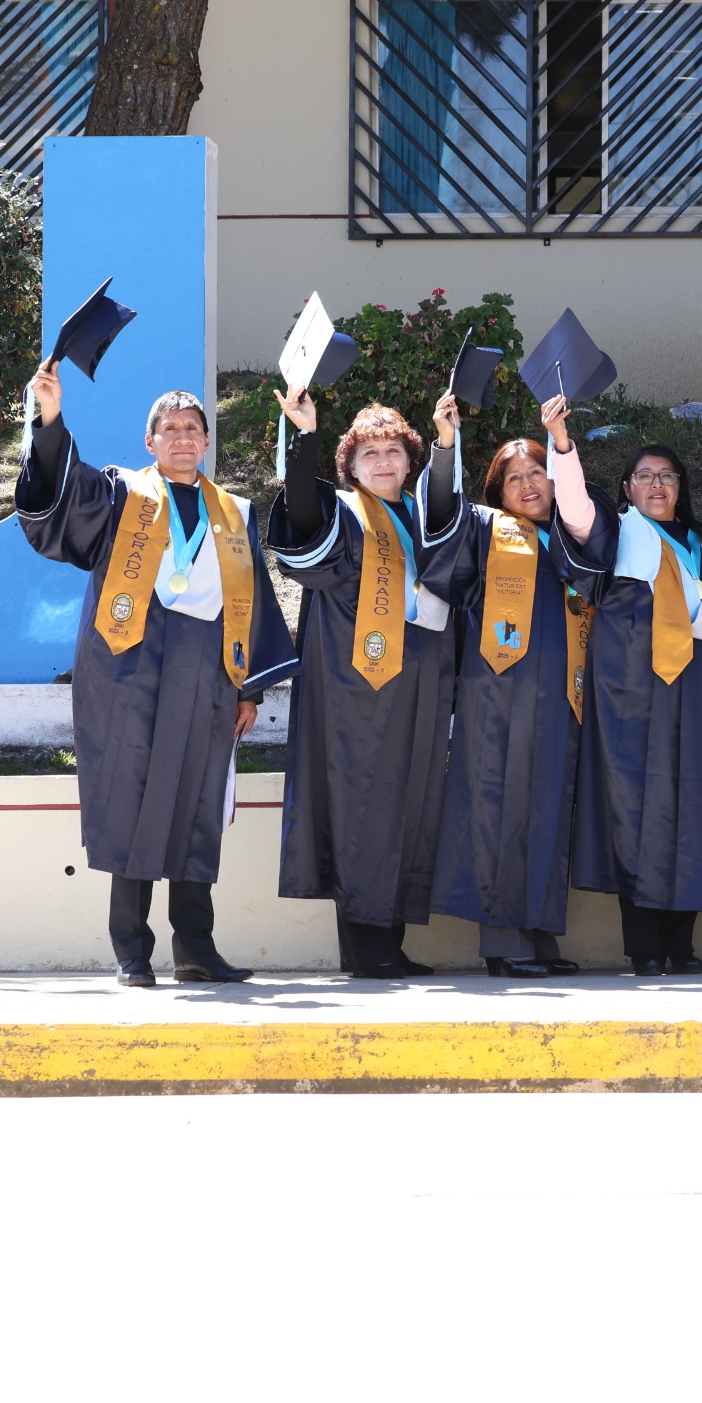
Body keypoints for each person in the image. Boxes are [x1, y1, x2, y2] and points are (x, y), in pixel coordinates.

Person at [15, 367, 296, 986]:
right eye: (169, 429)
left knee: (197, 799)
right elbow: (63, 495)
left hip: (207, 674)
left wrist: (248, 687)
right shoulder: (121, 493)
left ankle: (196, 947)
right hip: (129, 670)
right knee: (131, 795)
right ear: (151, 442)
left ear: (206, 441)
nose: (183, 438)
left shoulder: (235, 514)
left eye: (193, 428)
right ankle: (132, 952)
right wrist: (52, 419)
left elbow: (253, 599)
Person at [266, 389, 459, 980]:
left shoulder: (429, 518)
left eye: (394, 451)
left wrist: (448, 441)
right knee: (360, 804)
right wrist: (304, 437)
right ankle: (365, 947)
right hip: (355, 689)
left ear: (410, 461)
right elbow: (299, 510)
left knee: (409, 801)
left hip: (420, 679)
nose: (382, 462)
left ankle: (390, 942)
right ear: (348, 465)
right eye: (369, 452)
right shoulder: (341, 513)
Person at [418, 391, 597, 978]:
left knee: (546, 808)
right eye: (513, 476)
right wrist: (446, 445)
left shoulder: (576, 536)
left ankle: (537, 931)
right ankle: (502, 940)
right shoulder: (485, 529)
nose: (527, 484)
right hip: (497, 695)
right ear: (496, 488)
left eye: (538, 472)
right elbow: (441, 517)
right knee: (494, 805)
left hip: (558, 700)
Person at [550, 431, 702, 978]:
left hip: (699, 690)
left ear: (681, 487)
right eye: (645, 476)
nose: (657, 484)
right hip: (633, 693)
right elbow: (577, 511)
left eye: (667, 476)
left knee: (694, 808)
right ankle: (645, 946)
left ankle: (681, 941)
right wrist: (563, 446)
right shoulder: (620, 531)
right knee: (637, 812)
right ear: (627, 489)